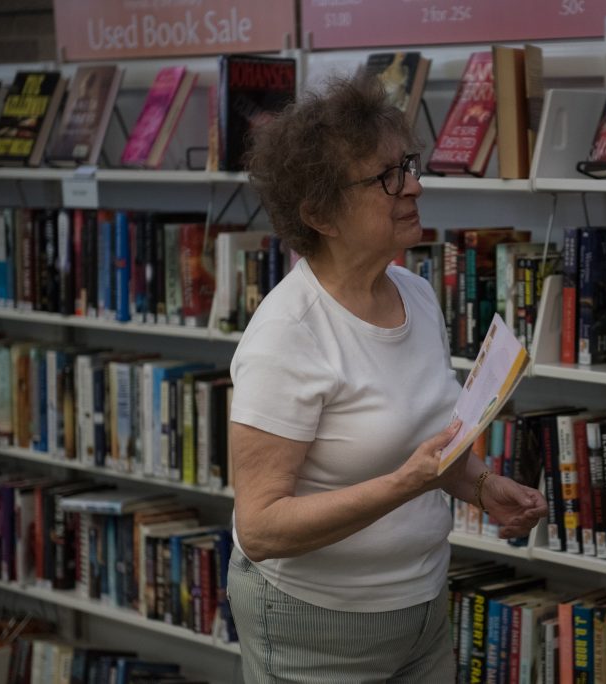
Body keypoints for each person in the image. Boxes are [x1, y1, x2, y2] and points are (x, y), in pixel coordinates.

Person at [226, 74, 548, 683]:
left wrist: (481, 487)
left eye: (408, 164)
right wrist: (406, 484)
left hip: (423, 607)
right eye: (387, 179)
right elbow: (260, 527)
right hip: (313, 625)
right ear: (321, 213)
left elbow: (422, 448)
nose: (416, 186)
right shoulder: (286, 334)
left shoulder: (417, 295)